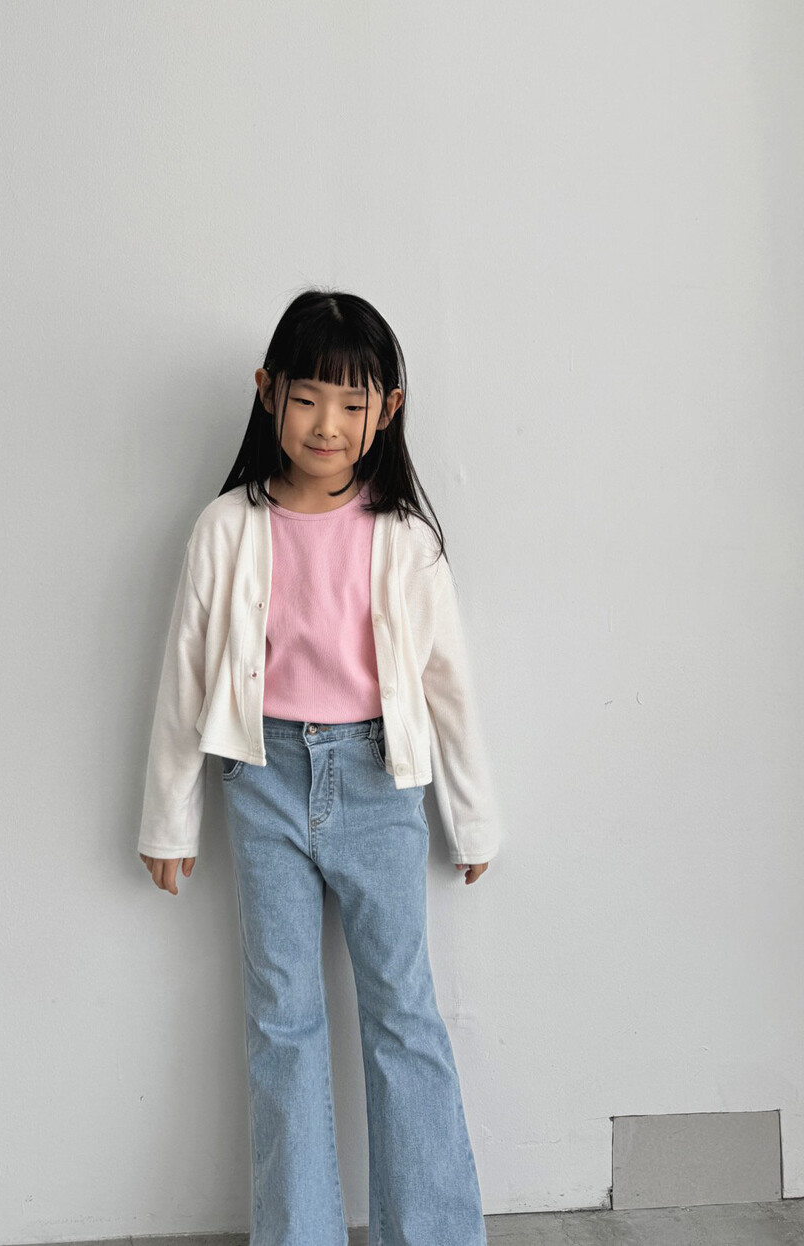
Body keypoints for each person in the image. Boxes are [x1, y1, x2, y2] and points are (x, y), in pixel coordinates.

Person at [137, 288, 503, 1245]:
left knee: (403, 1016)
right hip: (262, 783)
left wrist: (472, 818)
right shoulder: (227, 528)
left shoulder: (406, 539)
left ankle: (433, 1232)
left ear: (388, 409)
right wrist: (169, 819)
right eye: (306, 398)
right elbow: (185, 678)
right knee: (282, 1023)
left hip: (382, 783)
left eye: (352, 402)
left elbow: (449, 684)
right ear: (268, 393)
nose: (328, 424)